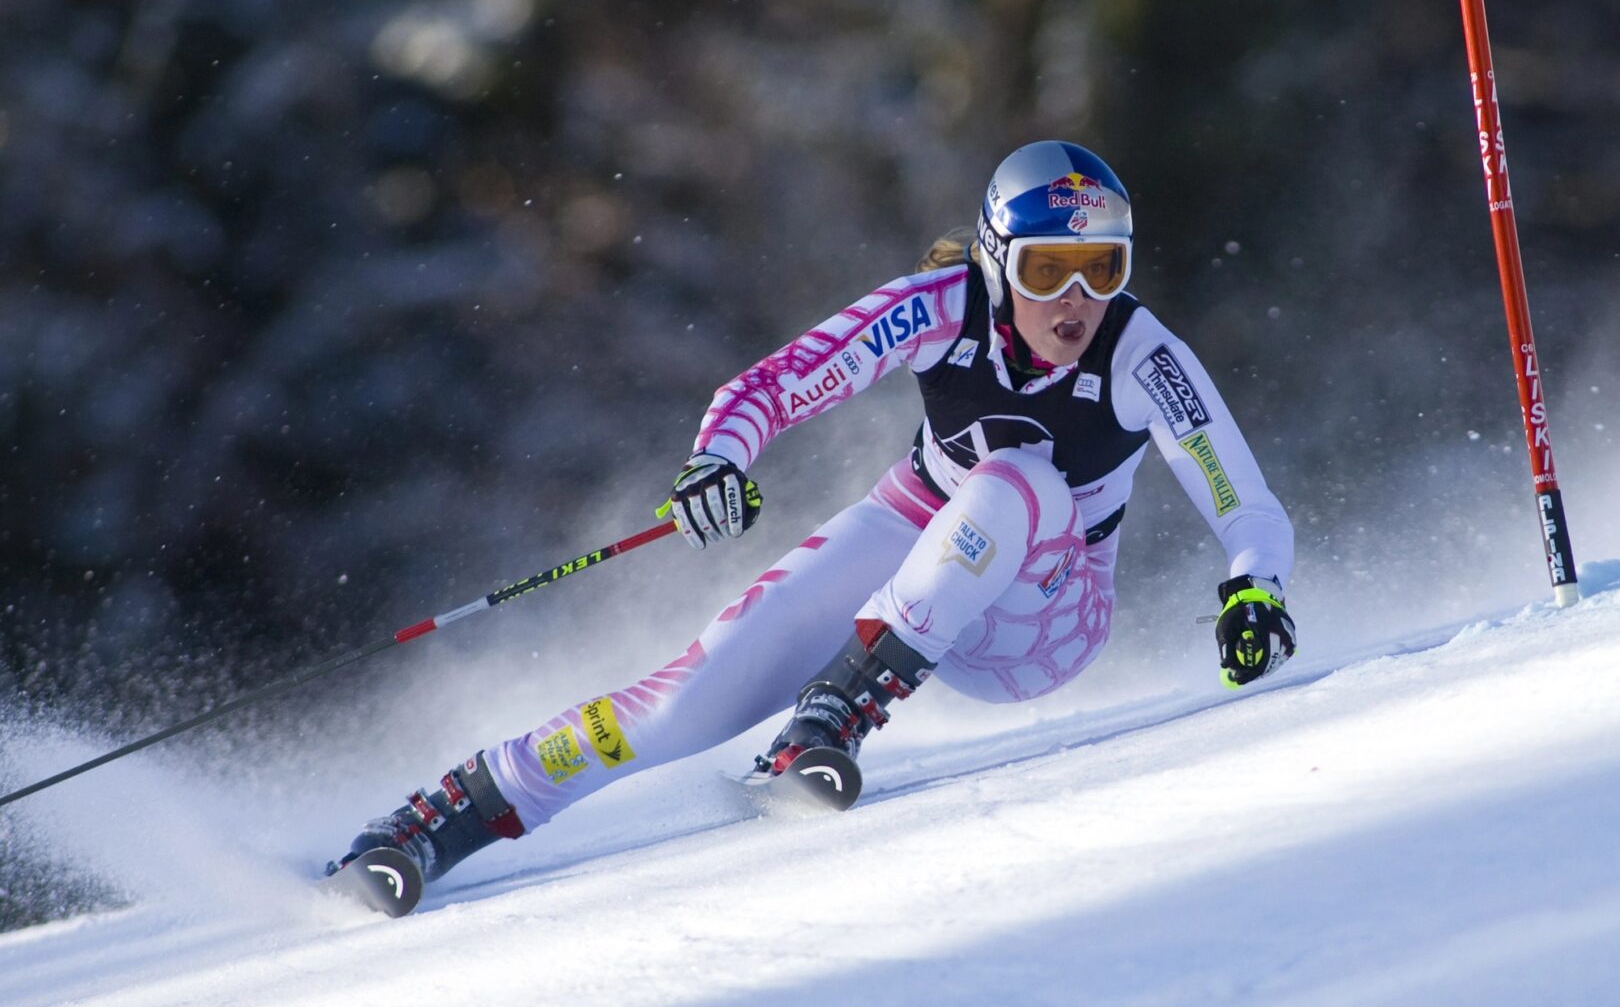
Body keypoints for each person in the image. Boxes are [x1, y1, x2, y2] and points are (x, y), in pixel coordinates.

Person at [327, 140, 1297, 886]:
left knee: (1019, 483)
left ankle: (835, 712)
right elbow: (778, 383)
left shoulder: (1141, 354)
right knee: (689, 692)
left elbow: (1240, 497)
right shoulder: (938, 305)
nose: (1077, 300)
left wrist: (1254, 590)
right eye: (1048, 271)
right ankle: (443, 817)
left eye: (1104, 269)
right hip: (920, 536)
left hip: (1043, 620)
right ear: (998, 262)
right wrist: (719, 459)